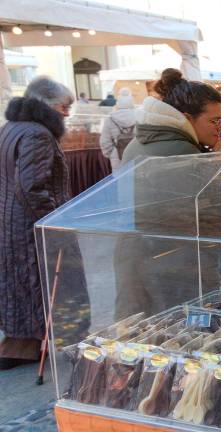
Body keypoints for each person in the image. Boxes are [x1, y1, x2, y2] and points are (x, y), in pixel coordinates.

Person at [116, 68, 221, 319]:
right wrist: (216, 163)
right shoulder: (184, 151)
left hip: (138, 257)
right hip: (177, 264)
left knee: (145, 338)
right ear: (187, 117)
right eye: (214, 120)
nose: (220, 128)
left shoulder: (141, 141)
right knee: (185, 336)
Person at [0, 77, 90, 369]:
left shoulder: (11, 128)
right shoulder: (37, 134)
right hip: (31, 226)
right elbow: (31, 187)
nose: (67, 113)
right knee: (52, 283)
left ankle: (20, 344)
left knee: (20, 286)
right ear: (46, 105)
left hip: (11, 223)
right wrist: (53, 220)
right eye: (65, 106)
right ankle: (53, 342)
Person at [99, 88, 135, 171]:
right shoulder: (140, 117)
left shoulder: (110, 119)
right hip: (136, 156)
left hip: (117, 157)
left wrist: (112, 154)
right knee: (137, 181)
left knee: (121, 182)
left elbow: (104, 142)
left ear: (118, 104)